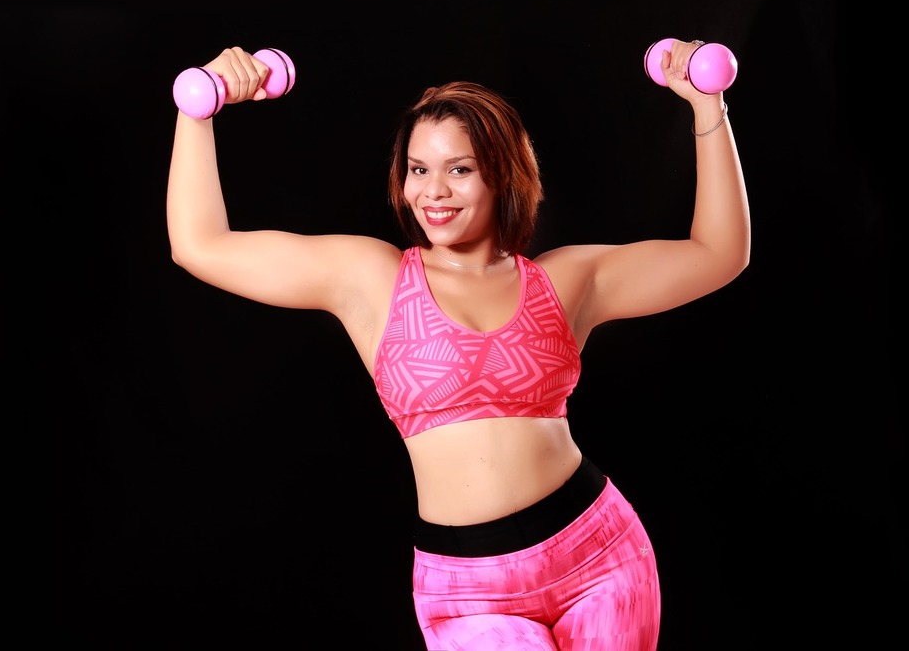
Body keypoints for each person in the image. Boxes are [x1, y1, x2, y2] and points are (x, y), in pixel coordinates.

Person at [166, 39, 749, 650]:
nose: (433, 192)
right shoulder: (373, 278)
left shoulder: (566, 280)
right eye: (419, 169)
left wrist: (706, 105)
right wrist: (197, 110)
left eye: (459, 168)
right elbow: (198, 243)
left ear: (501, 173)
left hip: (598, 555)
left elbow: (719, 254)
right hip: (469, 593)